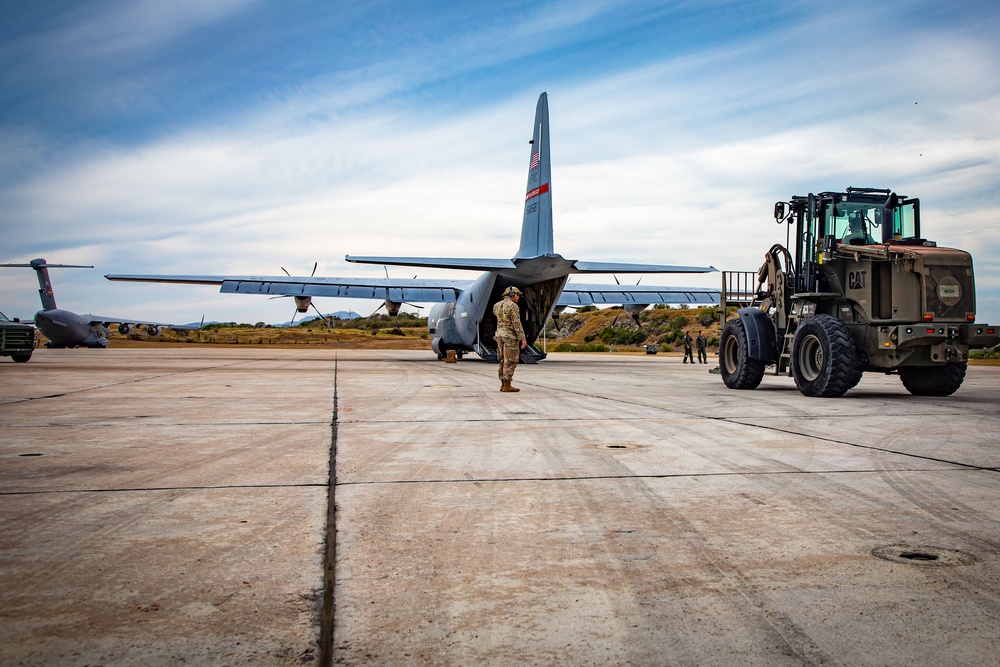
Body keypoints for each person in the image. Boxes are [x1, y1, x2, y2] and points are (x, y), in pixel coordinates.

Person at [493, 286, 527, 392]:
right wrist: (522, 338)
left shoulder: (497, 305)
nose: (518, 298)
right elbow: (516, 323)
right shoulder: (513, 306)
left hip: (499, 335)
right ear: (513, 295)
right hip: (510, 337)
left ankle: (503, 384)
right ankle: (507, 384)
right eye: (517, 295)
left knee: (502, 360)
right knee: (511, 360)